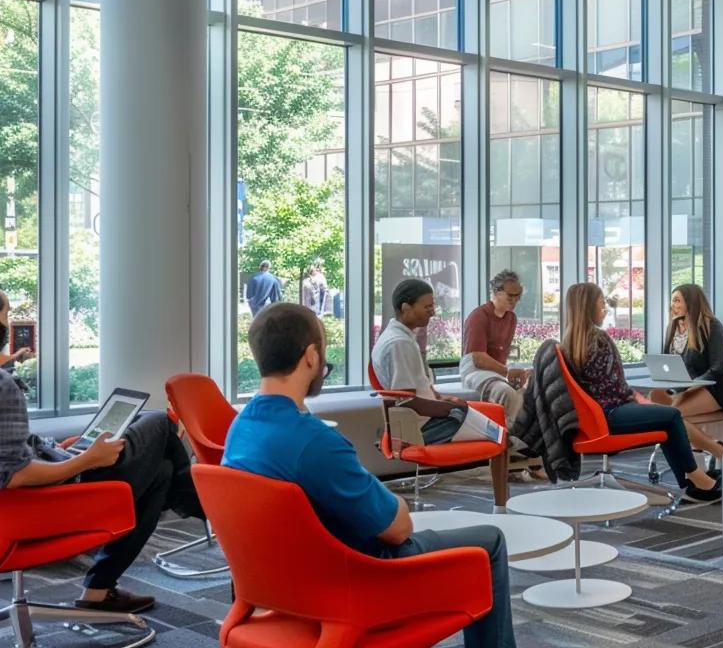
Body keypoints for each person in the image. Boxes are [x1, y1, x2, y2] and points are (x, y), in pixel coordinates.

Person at [0, 279, 200, 614]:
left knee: (161, 472)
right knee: (158, 422)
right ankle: (206, 507)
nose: (8, 323)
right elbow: (15, 476)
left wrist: (57, 450)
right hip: (30, 508)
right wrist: (85, 460)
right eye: (6, 315)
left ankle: (99, 592)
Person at [222, 304, 515, 648]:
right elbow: (397, 529)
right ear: (311, 356)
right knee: (490, 542)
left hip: (282, 585)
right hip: (356, 582)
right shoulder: (315, 442)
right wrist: (396, 504)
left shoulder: (240, 429)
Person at [562, 282, 722, 503]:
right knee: (671, 416)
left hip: (591, 418)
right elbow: (615, 389)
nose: (604, 310)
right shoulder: (599, 339)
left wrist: (637, 400)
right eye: (601, 305)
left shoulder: (570, 341)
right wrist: (635, 399)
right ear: (589, 307)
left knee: (663, 415)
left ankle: (690, 480)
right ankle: (698, 481)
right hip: (610, 414)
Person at [373, 279, 471, 446]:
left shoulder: (399, 338)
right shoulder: (400, 344)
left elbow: (416, 388)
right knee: (496, 431)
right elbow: (407, 401)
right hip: (420, 428)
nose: (432, 312)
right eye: (427, 307)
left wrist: (441, 399)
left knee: (478, 415)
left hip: (423, 421)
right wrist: (450, 409)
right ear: (405, 308)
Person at [649, 284, 723, 463]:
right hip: (683, 388)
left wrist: (692, 386)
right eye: (672, 301)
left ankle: (716, 449)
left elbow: (718, 368)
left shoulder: (711, 325)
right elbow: (667, 363)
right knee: (653, 396)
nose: (673, 305)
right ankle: (693, 451)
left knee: (672, 415)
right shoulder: (672, 327)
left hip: (711, 389)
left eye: (677, 300)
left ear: (691, 302)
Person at [461, 270, 527, 424]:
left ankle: (518, 435)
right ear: (497, 292)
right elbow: (478, 359)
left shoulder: (511, 318)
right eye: (510, 296)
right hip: (475, 371)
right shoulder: (478, 316)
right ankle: (504, 434)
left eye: (518, 296)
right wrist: (507, 372)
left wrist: (515, 373)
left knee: (528, 393)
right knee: (505, 392)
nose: (515, 300)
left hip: (497, 371)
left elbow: (501, 356)